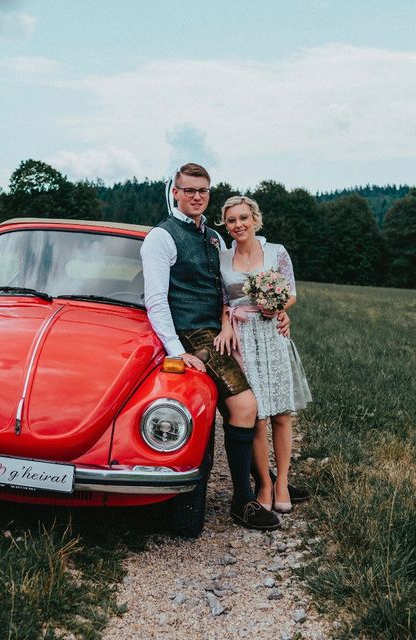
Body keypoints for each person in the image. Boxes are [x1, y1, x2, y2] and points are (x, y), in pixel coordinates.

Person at [140, 163, 285, 531]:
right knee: (245, 404)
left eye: (202, 191)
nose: (196, 196)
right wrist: (176, 350)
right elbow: (155, 300)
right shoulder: (162, 237)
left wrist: (232, 321)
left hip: (222, 330)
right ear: (175, 192)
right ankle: (243, 502)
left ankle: (267, 481)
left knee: (265, 401)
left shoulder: (213, 239)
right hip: (190, 333)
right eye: (189, 190)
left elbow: (224, 292)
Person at [213, 195, 312, 513]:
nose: (238, 225)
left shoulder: (276, 252)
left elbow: (292, 292)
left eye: (243, 218)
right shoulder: (222, 258)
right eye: (231, 220)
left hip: (272, 334)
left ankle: (282, 481)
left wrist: (279, 308)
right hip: (242, 339)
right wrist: (225, 324)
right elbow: (222, 300)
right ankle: (264, 484)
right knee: (257, 416)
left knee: (281, 415)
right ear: (226, 226)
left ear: (255, 219)